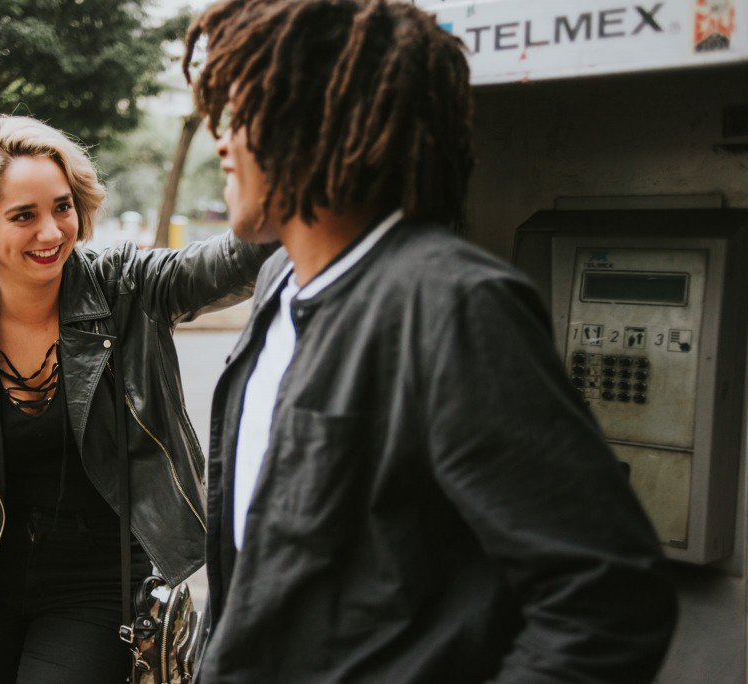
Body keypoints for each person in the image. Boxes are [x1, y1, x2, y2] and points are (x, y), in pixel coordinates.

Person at [182, 1, 678, 682]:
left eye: (241, 111)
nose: (221, 140)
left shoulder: (452, 303)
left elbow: (608, 600)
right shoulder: (277, 283)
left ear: (315, 115)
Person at [0, 115, 272, 684]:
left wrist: (291, 186)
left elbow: (229, 262)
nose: (51, 232)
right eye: (23, 216)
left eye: (62, 207)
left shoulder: (127, 287)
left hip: (98, 582)